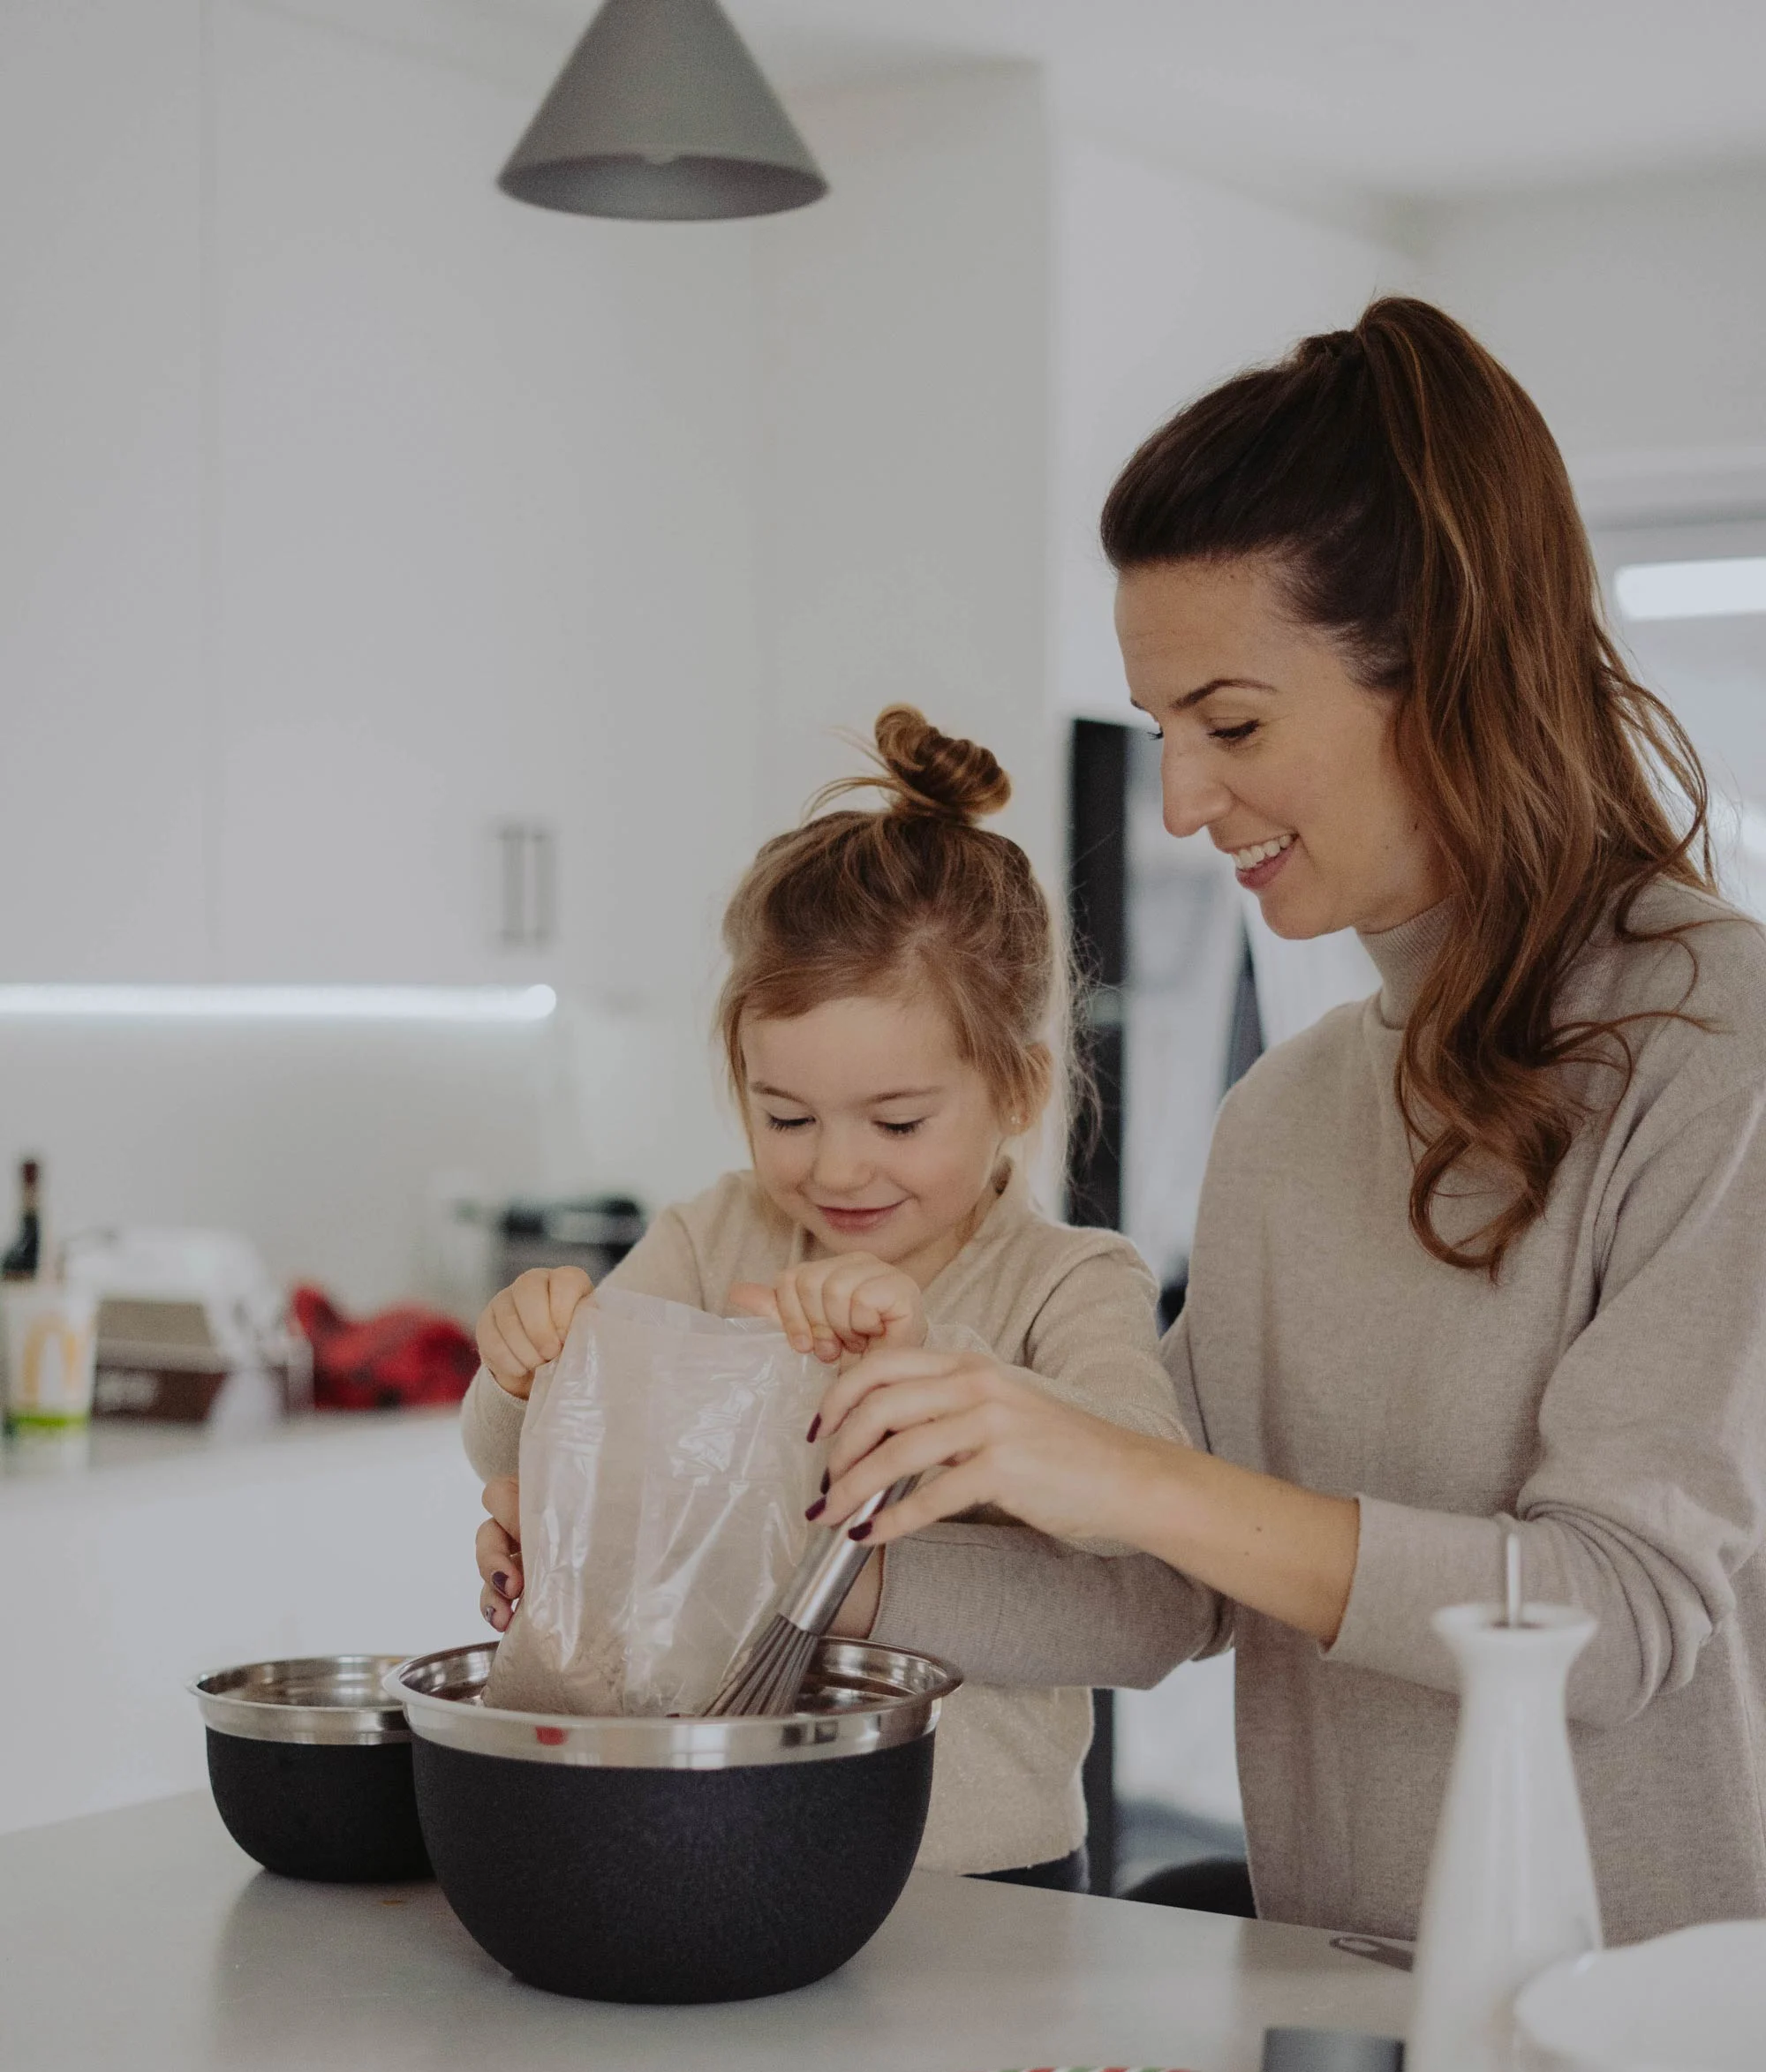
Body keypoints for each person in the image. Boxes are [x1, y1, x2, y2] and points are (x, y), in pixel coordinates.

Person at [808, 298, 1766, 1949]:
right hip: (1347, 2032)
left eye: (1232, 725)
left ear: (1449, 670)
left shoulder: (1716, 1051)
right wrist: (766, 1554)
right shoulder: (1290, 1114)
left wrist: (1114, 1464)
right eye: (1167, 730)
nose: (1182, 802)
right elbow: (1161, 1588)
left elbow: (1615, 1620)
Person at [463, 706, 1184, 1889]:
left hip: (983, 1889)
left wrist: (929, 1363)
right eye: (785, 1117)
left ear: (1018, 1090)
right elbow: (507, 1452)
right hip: (711, 1841)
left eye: (897, 1123)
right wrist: (527, 1361)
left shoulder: (1070, 1283)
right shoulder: (717, 1233)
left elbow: (1139, 1526)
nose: (834, 1170)